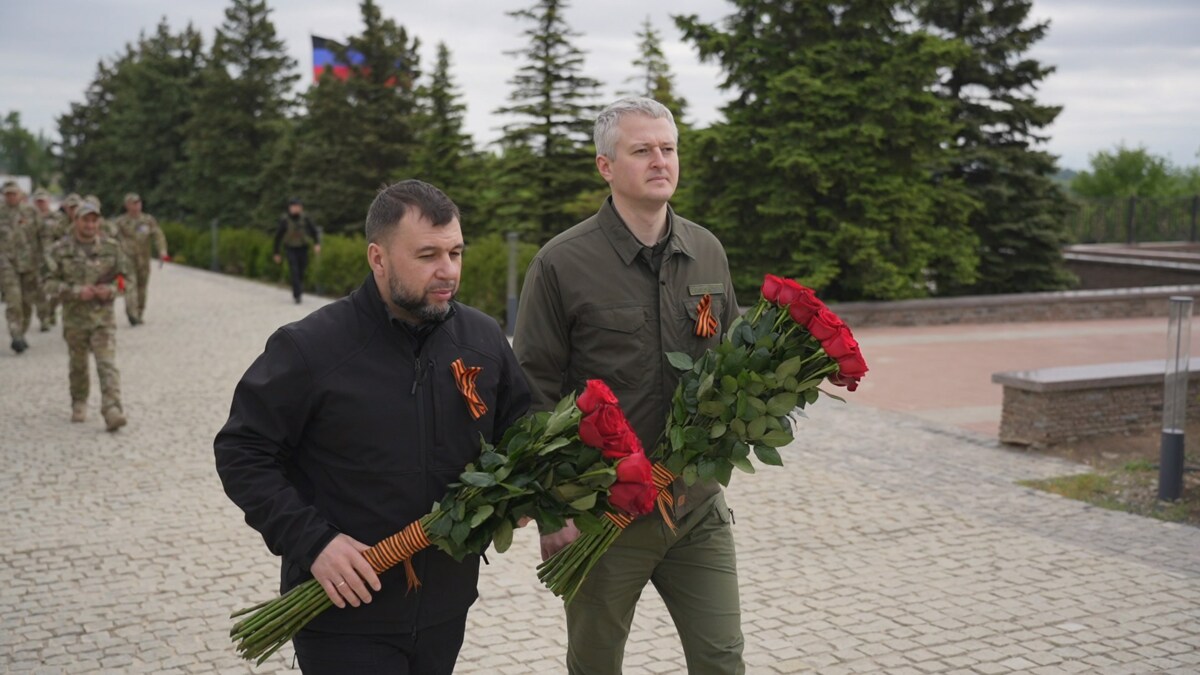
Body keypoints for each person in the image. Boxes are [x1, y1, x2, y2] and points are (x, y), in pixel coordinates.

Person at [215, 180, 530, 674]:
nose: (448, 271)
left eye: (456, 252)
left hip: (446, 609)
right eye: (427, 255)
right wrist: (312, 542)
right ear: (378, 258)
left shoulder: (483, 338)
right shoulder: (310, 347)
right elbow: (242, 451)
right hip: (342, 614)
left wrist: (530, 492)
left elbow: (520, 427)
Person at [513, 97, 746, 674]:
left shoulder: (707, 251)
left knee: (723, 660)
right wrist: (549, 509)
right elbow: (532, 394)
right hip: (604, 518)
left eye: (668, 149)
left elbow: (735, 366)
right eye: (641, 150)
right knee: (595, 666)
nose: (660, 160)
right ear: (605, 166)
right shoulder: (561, 264)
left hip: (695, 506)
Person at [43, 200, 129, 431]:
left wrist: (111, 290)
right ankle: (79, 402)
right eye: (86, 220)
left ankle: (112, 409)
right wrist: (74, 291)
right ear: (76, 221)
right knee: (78, 364)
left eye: (94, 220)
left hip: (103, 319)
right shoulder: (59, 251)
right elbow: (47, 283)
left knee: (107, 364)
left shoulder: (112, 248)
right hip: (75, 319)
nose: (90, 225)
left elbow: (125, 280)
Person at [112, 192, 168, 325]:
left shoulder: (148, 220)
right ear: (127, 206)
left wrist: (162, 251)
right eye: (133, 203)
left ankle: (139, 312)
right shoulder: (120, 222)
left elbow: (158, 235)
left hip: (143, 258)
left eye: (138, 203)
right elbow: (112, 238)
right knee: (130, 285)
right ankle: (132, 314)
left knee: (142, 286)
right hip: (127, 259)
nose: (137, 206)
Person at [0, 180, 39, 353]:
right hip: (6, 263)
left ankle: (22, 332)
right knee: (13, 300)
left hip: (29, 263)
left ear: (20, 195)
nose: (10, 197)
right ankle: (15, 334)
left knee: (26, 302)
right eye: (7, 194)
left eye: (13, 194)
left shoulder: (31, 212)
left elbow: (43, 234)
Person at [273, 198, 322, 304]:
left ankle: (298, 289)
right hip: (290, 248)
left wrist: (317, 243)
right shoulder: (285, 220)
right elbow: (278, 236)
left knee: (301, 271)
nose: (296, 209)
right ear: (290, 208)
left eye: (298, 206)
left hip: (303, 248)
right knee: (294, 271)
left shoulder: (305, 218)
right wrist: (276, 252)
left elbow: (314, 231)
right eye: (294, 207)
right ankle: (297, 295)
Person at [31, 188, 63, 331]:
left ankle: (51, 310)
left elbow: (63, 236)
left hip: (54, 259)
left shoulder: (57, 218)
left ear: (48, 202)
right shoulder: (30, 219)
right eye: (38, 202)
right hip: (36, 259)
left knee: (57, 290)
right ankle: (43, 318)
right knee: (39, 291)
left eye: (43, 201)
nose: (40, 204)